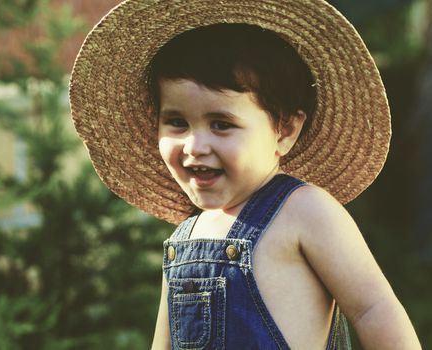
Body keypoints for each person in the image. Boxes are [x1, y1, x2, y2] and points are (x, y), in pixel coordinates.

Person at [69, 0, 421, 349]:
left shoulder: (305, 211)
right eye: (177, 122)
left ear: (284, 131)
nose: (194, 146)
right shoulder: (185, 237)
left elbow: (373, 310)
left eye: (221, 124)